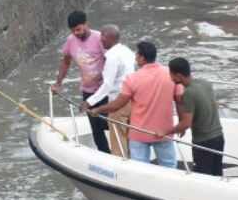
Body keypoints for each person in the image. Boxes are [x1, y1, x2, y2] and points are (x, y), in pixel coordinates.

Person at [91, 42, 181, 168]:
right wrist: (181, 125)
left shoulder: (132, 79)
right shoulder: (170, 75)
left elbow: (117, 105)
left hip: (140, 134)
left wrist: (98, 110)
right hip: (164, 132)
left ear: (142, 57)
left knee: (140, 168)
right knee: (169, 165)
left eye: (137, 54)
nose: (136, 57)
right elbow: (180, 101)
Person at [51, 10, 110, 154]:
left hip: (106, 91)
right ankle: (105, 156)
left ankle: (124, 156)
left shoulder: (99, 39)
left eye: (78, 29)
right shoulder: (71, 40)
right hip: (88, 92)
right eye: (73, 30)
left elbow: (111, 65)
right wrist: (58, 84)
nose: (76, 33)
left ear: (86, 24)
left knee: (109, 124)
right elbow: (66, 62)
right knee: (96, 128)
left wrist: (96, 79)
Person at [161, 57, 225, 176]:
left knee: (202, 176)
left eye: (171, 74)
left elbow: (186, 123)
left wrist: (165, 131)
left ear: (178, 75)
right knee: (217, 173)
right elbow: (215, 105)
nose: (170, 77)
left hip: (204, 142)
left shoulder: (188, 93)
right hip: (219, 137)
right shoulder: (204, 82)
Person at [80, 25, 134, 158]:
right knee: (128, 135)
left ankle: (119, 168)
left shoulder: (112, 58)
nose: (100, 41)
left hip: (118, 101)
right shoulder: (127, 51)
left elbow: (107, 85)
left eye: (102, 38)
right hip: (131, 99)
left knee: (117, 138)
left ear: (110, 40)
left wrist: (89, 101)